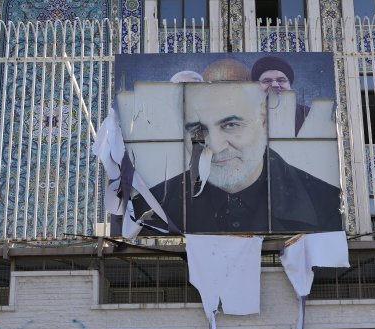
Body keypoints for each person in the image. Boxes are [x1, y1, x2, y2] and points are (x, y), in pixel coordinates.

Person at [138, 81, 341, 234]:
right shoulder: (151, 210)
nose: (215, 146)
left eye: (231, 125)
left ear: (262, 122)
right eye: (198, 130)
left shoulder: (329, 205)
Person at [251, 55, 309, 134]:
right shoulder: (248, 115)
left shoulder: (307, 114)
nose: (275, 85)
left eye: (281, 80)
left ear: (289, 84)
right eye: (267, 81)